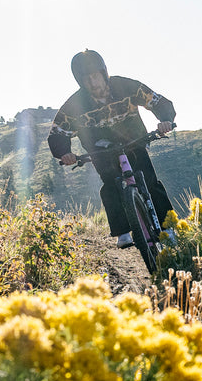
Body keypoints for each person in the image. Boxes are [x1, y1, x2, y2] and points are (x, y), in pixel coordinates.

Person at [47, 49, 177, 247]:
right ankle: (122, 232)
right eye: (86, 79)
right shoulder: (74, 105)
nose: (92, 82)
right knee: (110, 187)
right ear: (80, 82)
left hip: (133, 141)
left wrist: (165, 120)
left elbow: (157, 101)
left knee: (150, 181)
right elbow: (57, 133)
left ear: (104, 73)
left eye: (95, 76)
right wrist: (65, 153)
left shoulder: (126, 86)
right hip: (101, 151)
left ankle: (168, 228)